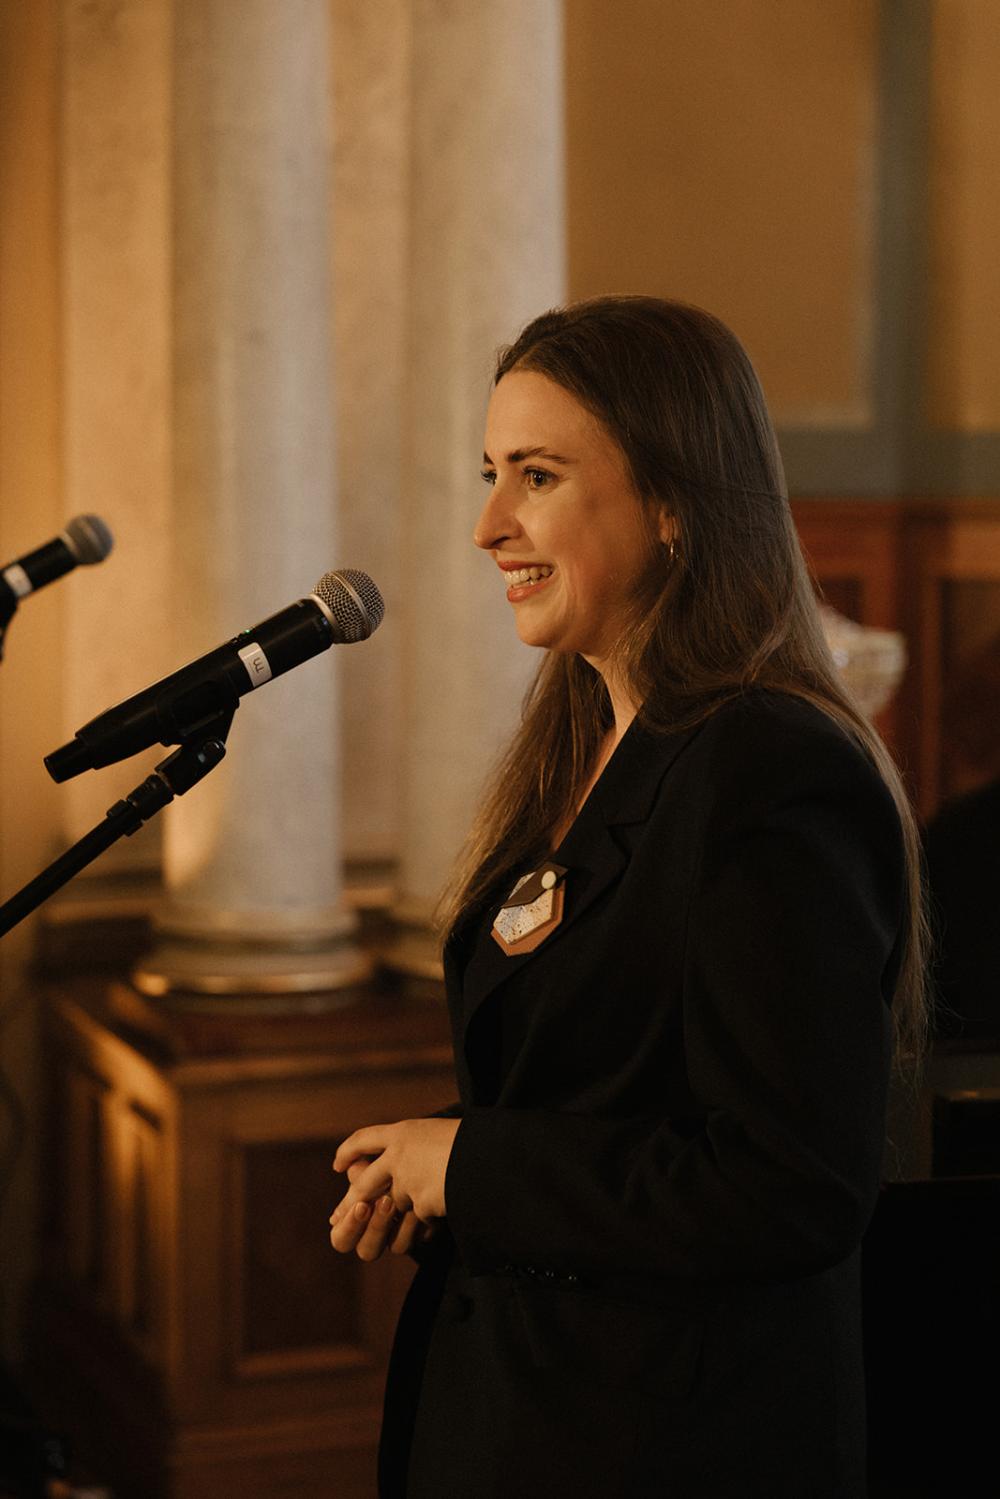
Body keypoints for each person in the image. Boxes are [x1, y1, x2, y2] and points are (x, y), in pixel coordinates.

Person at [328, 296, 928, 1498]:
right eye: (491, 474)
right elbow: (619, 1073)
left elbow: (789, 1181)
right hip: (538, 1407)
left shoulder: (769, 767)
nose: (489, 525)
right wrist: (438, 1156)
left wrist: (478, 1167)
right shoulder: (585, 741)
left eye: (538, 476)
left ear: (673, 503)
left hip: (670, 1440)